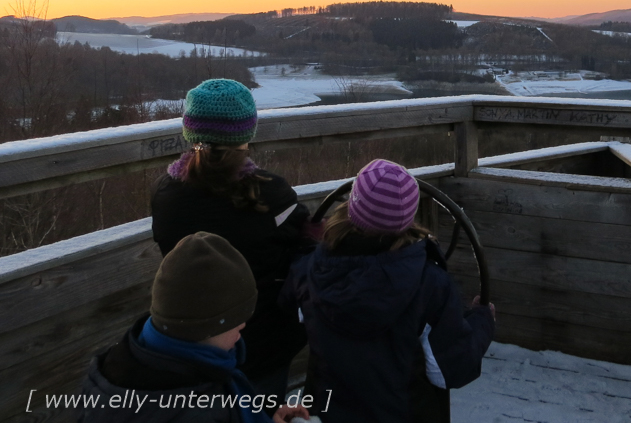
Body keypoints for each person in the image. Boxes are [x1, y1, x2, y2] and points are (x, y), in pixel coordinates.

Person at [282, 159, 495, 423]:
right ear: (408, 217)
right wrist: (482, 320)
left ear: (351, 205)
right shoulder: (431, 285)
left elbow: (294, 317)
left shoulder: (308, 269)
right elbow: (452, 369)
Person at [151, 79, 313, 399]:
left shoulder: (166, 194)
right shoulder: (271, 193)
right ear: (247, 132)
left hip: (191, 344)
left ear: (190, 130)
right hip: (262, 342)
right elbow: (305, 239)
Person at [79, 232, 311, 423]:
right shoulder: (201, 411)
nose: (243, 324)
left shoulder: (125, 359)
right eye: (235, 320)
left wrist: (263, 417)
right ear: (204, 327)